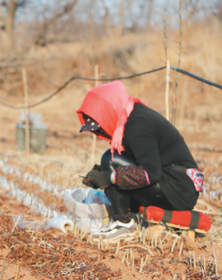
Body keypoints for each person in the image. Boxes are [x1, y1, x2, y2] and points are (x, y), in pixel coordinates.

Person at [77, 80, 203, 243]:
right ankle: (131, 215)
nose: (98, 131)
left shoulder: (138, 124)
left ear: (109, 111)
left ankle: (122, 223)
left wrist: (108, 177)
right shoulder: (130, 118)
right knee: (109, 163)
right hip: (175, 183)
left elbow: (151, 172)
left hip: (179, 189)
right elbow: (137, 161)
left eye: (98, 124)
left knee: (111, 158)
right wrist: (101, 172)